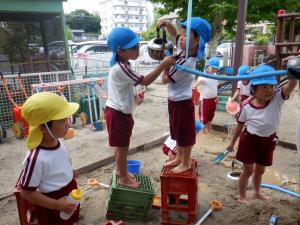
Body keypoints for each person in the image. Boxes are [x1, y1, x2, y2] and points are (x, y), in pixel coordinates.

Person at [106, 27, 175, 188]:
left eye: (137, 45)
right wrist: (163, 64)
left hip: (118, 111)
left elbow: (123, 89)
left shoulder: (124, 64)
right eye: (133, 47)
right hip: (118, 114)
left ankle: (120, 171)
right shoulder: (121, 68)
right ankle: (123, 177)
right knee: (123, 147)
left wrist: (135, 99)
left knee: (120, 146)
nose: (138, 49)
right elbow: (144, 81)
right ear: (120, 50)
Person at [226, 65, 298, 205]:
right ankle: (241, 196)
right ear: (254, 89)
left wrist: (293, 74)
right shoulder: (246, 105)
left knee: (260, 171)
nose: (269, 90)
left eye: (271, 86)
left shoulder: (277, 97)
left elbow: (291, 85)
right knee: (248, 170)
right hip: (250, 141)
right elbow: (239, 125)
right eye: (264, 87)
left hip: (268, 141)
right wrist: (231, 143)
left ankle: (257, 192)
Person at [158, 17, 212, 173]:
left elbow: (164, 80)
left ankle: (186, 162)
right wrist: (168, 24)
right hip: (174, 100)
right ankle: (179, 157)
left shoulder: (186, 62)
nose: (180, 38)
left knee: (185, 134)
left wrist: (165, 64)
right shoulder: (184, 51)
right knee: (177, 132)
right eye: (182, 34)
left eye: (185, 35)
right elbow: (175, 35)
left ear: (197, 41)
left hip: (182, 103)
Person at [19, 92, 80, 225]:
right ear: (43, 127)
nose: (68, 124)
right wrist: (56, 204)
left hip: (69, 194)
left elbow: (59, 162)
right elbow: (25, 192)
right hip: (52, 206)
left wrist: (69, 172)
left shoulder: (59, 141)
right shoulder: (36, 158)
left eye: (67, 118)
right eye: (62, 120)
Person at [193, 57, 220, 133]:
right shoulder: (203, 76)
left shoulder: (215, 76)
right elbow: (195, 87)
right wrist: (198, 83)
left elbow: (215, 87)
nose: (215, 70)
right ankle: (203, 131)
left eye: (216, 68)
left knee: (211, 116)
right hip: (205, 100)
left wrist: (216, 97)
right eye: (213, 68)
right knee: (204, 117)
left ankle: (209, 130)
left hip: (213, 99)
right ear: (208, 66)